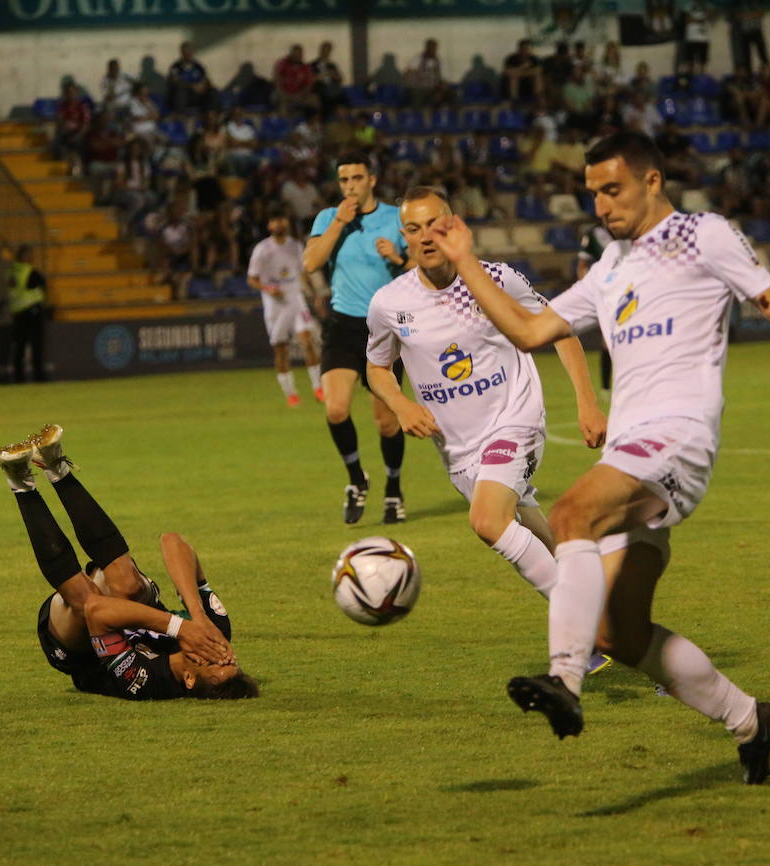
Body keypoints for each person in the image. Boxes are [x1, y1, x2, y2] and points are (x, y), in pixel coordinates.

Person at [428, 131, 770, 784]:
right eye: (593, 194)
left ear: (651, 181)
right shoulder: (607, 272)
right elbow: (527, 331)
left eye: (613, 189)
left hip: (678, 435)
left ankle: (564, 681)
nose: (602, 205)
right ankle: (752, 718)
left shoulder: (702, 234)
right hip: (637, 447)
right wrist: (465, 260)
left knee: (571, 511)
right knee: (620, 633)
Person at [366, 186, 606, 602]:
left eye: (433, 224)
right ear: (403, 236)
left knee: (488, 521)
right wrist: (400, 403)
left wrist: (588, 404)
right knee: (525, 523)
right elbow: (377, 367)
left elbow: (561, 332)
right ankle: (600, 595)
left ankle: (582, 623)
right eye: (413, 228)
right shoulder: (389, 303)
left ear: (452, 224)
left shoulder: (496, 280)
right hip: (458, 447)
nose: (425, 236)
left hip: (516, 420)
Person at [0, 424, 258, 701]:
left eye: (211, 662)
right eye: (228, 659)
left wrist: (179, 627)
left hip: (78, 645)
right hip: (130, 603)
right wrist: (198, 615)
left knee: (85, 601)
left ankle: (21, 482)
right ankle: (55, 466)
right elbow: (172, 542)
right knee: (128, 585)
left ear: (190, 679)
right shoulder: (211, 633)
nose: (217, 652)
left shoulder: (146, 680)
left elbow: (99, 611)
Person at [302, 153, 411, 525]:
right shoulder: (327, 218)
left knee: (387, 422)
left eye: (356, 178)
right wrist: (338, 224)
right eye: (344, 180)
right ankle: (356, 479)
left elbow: (422, 264)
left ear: (372, 180)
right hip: (343, 324)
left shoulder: (397, 217)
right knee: (335, 408)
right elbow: (311, 262)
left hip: (385, 328)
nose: (349, 186)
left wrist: (398, 258)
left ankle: (393, 489)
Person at [248, 212, 323, 406]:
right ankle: (291, 393)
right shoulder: (262, 249)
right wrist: (268, 288)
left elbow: (303, 272)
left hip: (295, 297)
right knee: (281, 348)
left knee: (307, 341)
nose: (278, 223)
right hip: (274, 303)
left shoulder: (296, 246)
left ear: (287, 222)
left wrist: (315, 295)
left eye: (281, 219)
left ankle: (318, 388)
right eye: (274, 220)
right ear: (269, 225)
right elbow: (252, 279)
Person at [576, 219, 615, 391]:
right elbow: (582, 264)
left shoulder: (632, 228)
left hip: (633, 286)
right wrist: (589, 289)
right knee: (608, 340)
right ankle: (606, 387)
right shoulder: (593, 234)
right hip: (608, 291)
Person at [5, 244, 48, 382]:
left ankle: (18, 377)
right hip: (32, 310)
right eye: (30, 255)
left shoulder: (10, 271)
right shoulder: (28, 271)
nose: (32, 258)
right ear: (26, 256)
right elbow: (43, 284)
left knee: (20, 346)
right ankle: (39, 377)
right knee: (36, 344)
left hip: (17, 312)